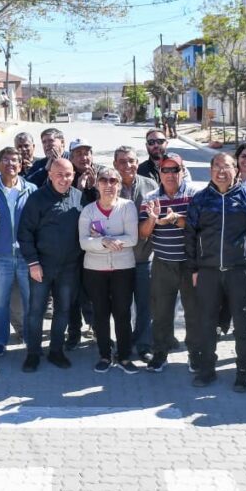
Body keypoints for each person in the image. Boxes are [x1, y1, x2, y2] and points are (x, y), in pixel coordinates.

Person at [184, 152, 246, 393]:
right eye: (217, 167)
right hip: (208, 271)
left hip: (239, 272)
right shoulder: (200, 200)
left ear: (236, 171)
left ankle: (243, 372)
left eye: (227, 167)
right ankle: (207, 369)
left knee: (244, 326)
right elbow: (190, 235)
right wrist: (193, 268)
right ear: (211, 171)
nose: (221, 171)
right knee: (206, 323)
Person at [18, 157, 87, 372]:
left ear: (73, 176)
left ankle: (56, 351)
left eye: (68, 175)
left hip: (69, 268)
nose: (64, 179)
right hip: (41, 266)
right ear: (49, 175)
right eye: (59, 174)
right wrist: (33, 262)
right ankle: (33, 353)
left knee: (63, 310)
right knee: (36, 311)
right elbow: (24, 233)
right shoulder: (37, 199)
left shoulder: (79, 197)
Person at [140, 153, 198, 372]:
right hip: (163, 263)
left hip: (189, 264)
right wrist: (153, 218)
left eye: (176, 170)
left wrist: (176, 219)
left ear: (183, 171)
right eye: (166, 170)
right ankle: (160, 354)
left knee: (193, 313)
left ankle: (195, 354)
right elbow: (144, 233)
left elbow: (197, 228)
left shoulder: (194, 195)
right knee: (161, 313)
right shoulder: (151, 197)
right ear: (160, 173)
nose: (171, 174)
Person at [79, 167, 140, 374]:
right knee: (101, 314)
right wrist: (103, 242)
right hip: (95, 270)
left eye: (113, 180)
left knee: (122, 313)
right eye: (103, 180)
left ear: (119, 185)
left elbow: (132, 238)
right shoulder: (88, 210)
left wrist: (104, 240)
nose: (108, 185)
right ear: (97, 184)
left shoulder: (128, 206)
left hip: (123, 268)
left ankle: (124, 356)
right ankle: (105, 355)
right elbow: (83, 242)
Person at [0, 146, 36, 356]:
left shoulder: (32, 190)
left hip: (27, 256)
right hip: (0, 256)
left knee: (31, 300)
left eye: (15, 160)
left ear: (21, 165)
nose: (10, 164)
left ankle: (30, 337)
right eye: (5, 160)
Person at [114, 146, 158, 361]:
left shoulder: (150, 185)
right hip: (118, 260)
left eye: (131, 161)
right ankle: (123, 344)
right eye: (122, 161)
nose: (127, 165)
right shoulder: (109, 185)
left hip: (143, 258)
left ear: (137, 163)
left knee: (145, 306)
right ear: (115, 165)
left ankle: (144, 345)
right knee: (121, 306)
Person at [65, 139, 107, 349]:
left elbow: (108, 207)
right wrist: (79, 190)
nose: (83, 157)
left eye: (87, 153)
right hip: (71, 247)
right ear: (71, 158)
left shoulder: (102, 175)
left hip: (95, 245)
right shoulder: (66, 176)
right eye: (78, 154)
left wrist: (95, 188)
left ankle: (97, 327)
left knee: (95, 292)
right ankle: (74, 331)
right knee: (73, 292)